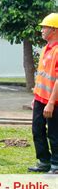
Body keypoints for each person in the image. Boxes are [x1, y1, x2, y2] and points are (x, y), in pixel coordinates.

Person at [28, 13, 58, 174]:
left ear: (53, 29)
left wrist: (51, 102)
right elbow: (42, 76)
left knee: (54, 133)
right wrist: (36, 98)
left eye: (44, 27)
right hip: (40, 98)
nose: (42, 30)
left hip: (54, 101)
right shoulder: (46, 49)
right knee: (37, 130)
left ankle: (56, 164)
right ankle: (44, 161)